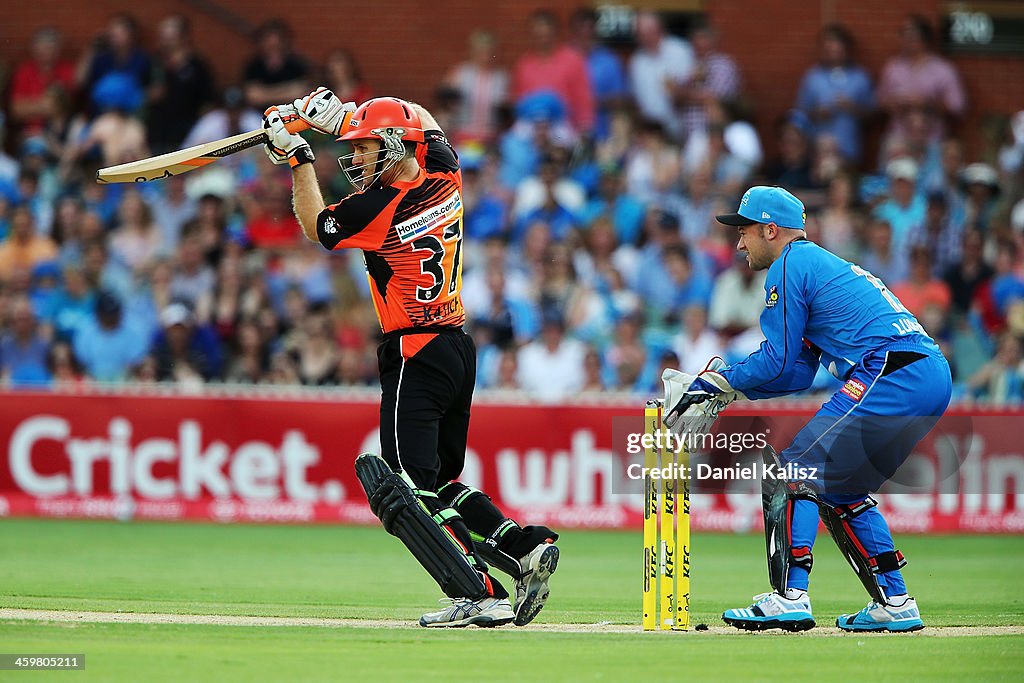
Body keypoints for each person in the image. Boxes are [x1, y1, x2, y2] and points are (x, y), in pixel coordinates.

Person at [260, 89, 560, 627]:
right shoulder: (446, 176)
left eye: (366, 150)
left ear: (396, 148)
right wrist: (337, 119)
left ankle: (479, 591)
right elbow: (427, 126)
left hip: (415, 348)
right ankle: (522, 548)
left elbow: (316, 226)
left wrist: (301, 157)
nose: (355, 160)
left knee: (405, 482)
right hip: (457, 348)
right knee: (440, 480)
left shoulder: (379, 207)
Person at [664, 186, 951, 632]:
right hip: (925, 373)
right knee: (841, 490)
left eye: (744, 231)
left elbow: (776, 359)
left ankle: (789, 596)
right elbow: (795, 373)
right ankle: (896, 603)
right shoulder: (814, 264)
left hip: (892, 367)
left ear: (770, 230)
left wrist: (719, 380)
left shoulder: (790, 264)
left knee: (794, 468)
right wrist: (728, 392)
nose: (738, 243)